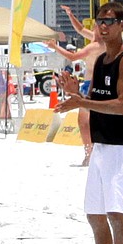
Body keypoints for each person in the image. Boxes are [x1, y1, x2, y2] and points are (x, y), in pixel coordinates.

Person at [53, 2, 123, 244]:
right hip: (103, 145)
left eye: (110, 21)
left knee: (118, 215)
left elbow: (122, 105)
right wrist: (75, 95)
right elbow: (95, 100)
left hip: (122, 146)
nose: (103, 26)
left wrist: (82, 102)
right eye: (99, 21)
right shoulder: (102, 59)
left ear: (122, 25)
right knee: (95, 215)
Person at [47, 28, 106, 166]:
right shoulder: (96, 40)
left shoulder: (96, 45)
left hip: (94, 84)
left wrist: (55, 47)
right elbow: (80, 29)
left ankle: (90, 152)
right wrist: (70, 15)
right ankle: (89, 151)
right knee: (84, 122)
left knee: (86, 122)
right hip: (88, 83)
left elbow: (73, 57)